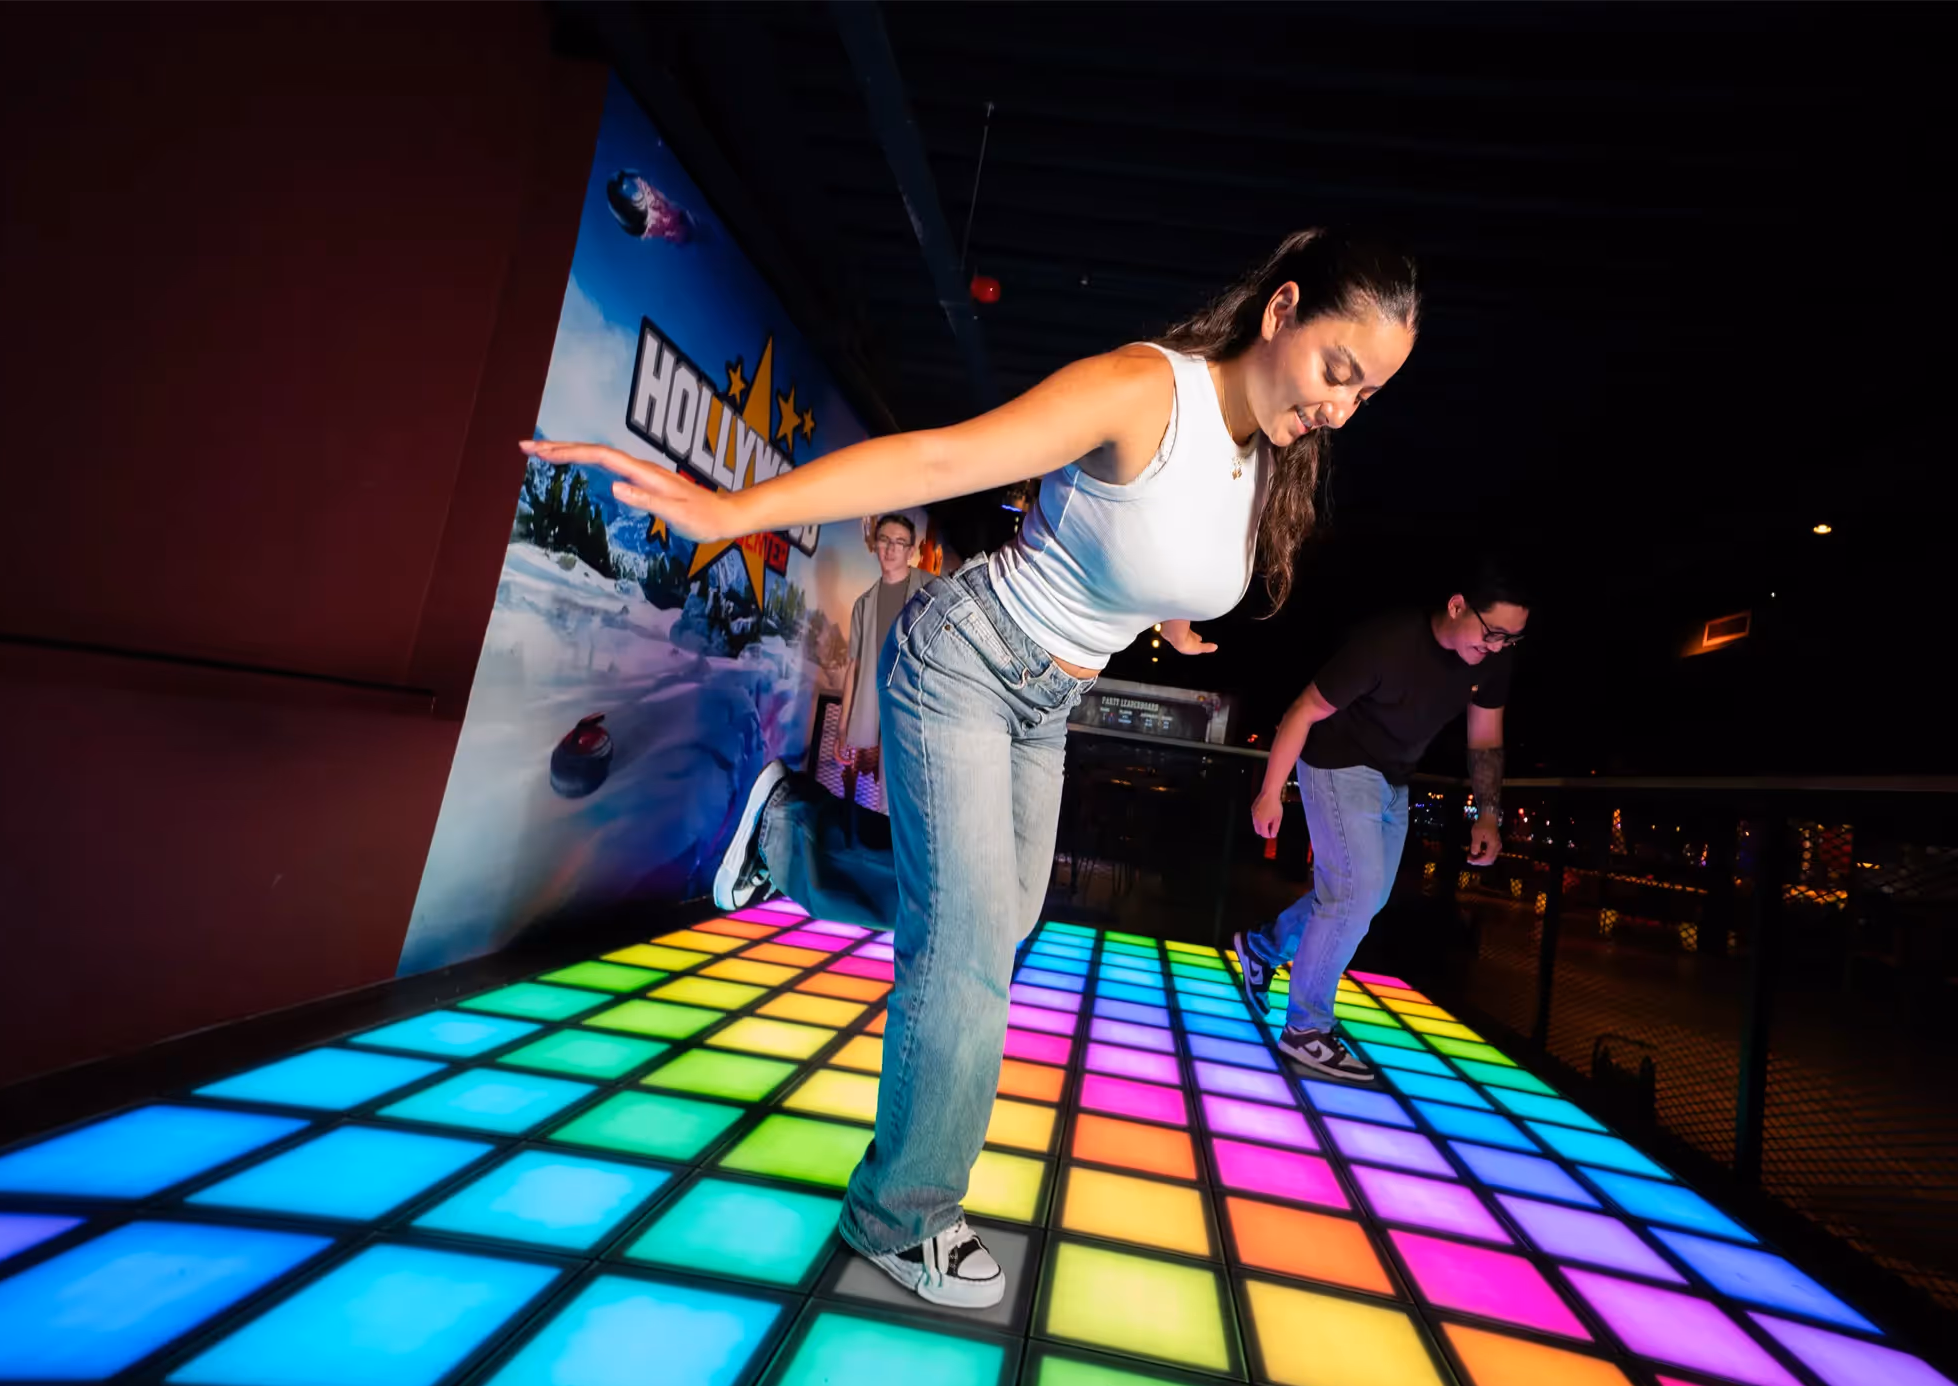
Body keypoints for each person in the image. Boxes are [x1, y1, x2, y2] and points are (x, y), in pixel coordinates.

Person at [523, 227, 1418, 1308]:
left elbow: (1144, 542)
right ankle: (899, 1214)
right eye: (1339, 369)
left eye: (1367, 393)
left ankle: (786, 843)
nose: (1343, 406)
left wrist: (1167, 618)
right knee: (961, 965)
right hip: (962, 658)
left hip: (1049, 700)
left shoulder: (1258, 457)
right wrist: (727, 511)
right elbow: (940, 458)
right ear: (1281, 312)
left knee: (994, 926)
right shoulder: (1142, 390)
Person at [1231, 556, 1530, 1078]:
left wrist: (1488, 814)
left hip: (1394, 778)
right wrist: (1271, 791)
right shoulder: (1386, 644)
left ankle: (1262, 948)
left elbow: (1485, 740)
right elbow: (1302, 710)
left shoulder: (1492, 661)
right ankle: (1306, 1029)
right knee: (1355, 893)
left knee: (1364, 897)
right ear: (1458, 605)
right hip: (1336, 762)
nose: (1499, 647)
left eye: (1511, 639)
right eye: (1494, 633)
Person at [833, 512, 933, 809]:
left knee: (915, 802)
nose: (890, 549)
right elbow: (855, 667)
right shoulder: (863, 604)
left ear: (911, 550)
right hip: (878, 712)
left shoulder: (931, 591)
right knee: (882, 803)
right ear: (875, 544)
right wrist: (842, 728)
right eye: (884, 540)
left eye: (899, 542)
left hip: (918, 710)